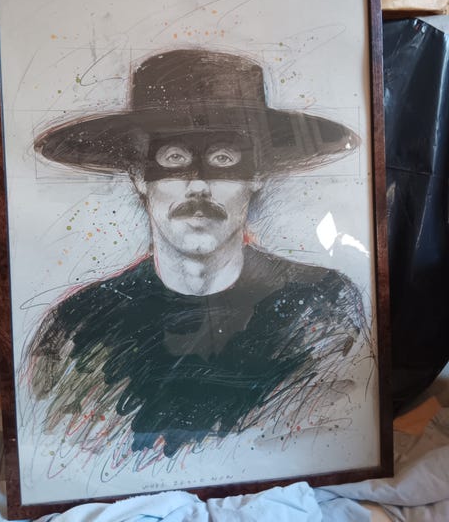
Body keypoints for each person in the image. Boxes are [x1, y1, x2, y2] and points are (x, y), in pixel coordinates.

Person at [27, 48, 365, 459]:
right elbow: (57, 448)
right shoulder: (79, 326)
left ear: (257, 176)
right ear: (139, 177)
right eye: (173, 158)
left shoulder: (319, 309)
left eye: (224, 158)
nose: (199, 186)